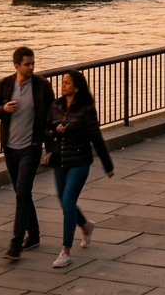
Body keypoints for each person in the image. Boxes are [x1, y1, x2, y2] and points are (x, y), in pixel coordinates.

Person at [0, 47, 54, 260]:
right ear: (16, 65)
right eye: (27, 64)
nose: (32, 67)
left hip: (31, 147)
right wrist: (4, 109)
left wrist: (50, 148)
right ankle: (33, 234)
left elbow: (51, 117)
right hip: (10, 148)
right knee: (22, 193)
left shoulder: (42, 86)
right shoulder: (5, 85)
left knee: (22, 192)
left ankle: (15, 244)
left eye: (33, 63)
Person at [46, 70, 114, 269]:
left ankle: (65, 251)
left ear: (76, 86)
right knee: (64, 201)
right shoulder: (56, 106)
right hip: (60, 160)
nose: (63, 85)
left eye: (67, 82)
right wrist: (54, 130)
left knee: (68, 202)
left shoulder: (86, 109)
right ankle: (86, 225)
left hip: (80, 160)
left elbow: (96, 137)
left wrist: (107, 165)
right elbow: (45, 128)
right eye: (62, 82)